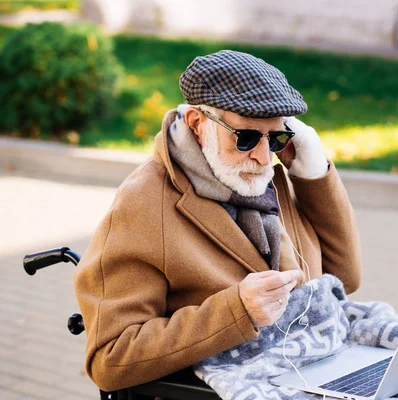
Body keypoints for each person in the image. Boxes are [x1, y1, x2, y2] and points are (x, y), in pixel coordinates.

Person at [73, 50, 362, 392]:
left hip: (303, 371)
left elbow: (344, 278)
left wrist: (313, 174)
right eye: (246, 138)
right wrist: (237, 310)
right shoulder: (145, 203)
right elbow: (111, 358)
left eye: (277, 136)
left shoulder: (268, 174)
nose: (263, 156)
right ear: (198, 124)